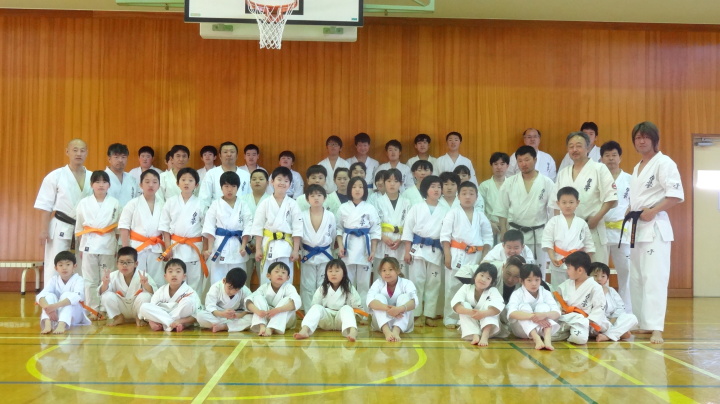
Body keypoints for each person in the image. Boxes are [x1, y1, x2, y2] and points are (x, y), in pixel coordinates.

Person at [627, 121, 684, 344]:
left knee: (654, 278)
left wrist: (653, 211)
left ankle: (657, 327)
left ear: (654, 140)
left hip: (655, 227)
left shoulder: (664, 163)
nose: (641, 141)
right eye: (637, 137)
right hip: (637, 228)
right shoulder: (637, 167)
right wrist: (630, 208)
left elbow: (675, 195)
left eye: (645, 137)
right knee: (637, 278)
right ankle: (644, 322)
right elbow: (639, 197)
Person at [551, 131, 618, 265]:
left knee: (595, 270)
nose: (574, 150)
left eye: (578, 146)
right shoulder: (563, 173)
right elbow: (555, 204)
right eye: (571, 146)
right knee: (571, 271)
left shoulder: (599, 169)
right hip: (568, 232)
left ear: (588, 148)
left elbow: (611, 198)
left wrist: (596, 218)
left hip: (592, 228)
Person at [35, 138, 93, 285]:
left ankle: (80, 295)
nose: (78, 153)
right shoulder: (55, 176)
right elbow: (45, 206)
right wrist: (43, 230)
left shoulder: (93, 177)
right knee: (55, 261)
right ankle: (51, 295)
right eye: (75, 150)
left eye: (82, 150)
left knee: (82, 264)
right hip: (60, 225)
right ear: (67, 152)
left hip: (83, 227)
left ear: (87, 153)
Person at [441, 181, 493, 328]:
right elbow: (445, 236)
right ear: (458, 196)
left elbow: (488, 237)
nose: (468, 197)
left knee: (474, 287)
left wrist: (485, 257)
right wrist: (447, 255)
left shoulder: (481, 215)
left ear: (476, 197)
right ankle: (450, 318)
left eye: (471, 193)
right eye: (464, 193)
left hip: (477, 255)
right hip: (457, 253)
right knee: (453, 286)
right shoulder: (453, 213)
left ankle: (470, 318)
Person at [496, 146, 555, 273]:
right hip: (515, 235)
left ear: (535, 159)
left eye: (527, 160)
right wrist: (503, 231)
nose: (523, 164)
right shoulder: (510, 182)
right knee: (514, 272)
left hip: (538, 234)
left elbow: (552, 212)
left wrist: (551, 235)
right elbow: (502, 209)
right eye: (520, 161)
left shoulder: (547, 182)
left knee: (538, 273)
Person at [401, 175, 449, 327]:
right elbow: (408, 230)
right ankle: (416, 315)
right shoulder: (416, 207)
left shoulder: (446, 210)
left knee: (434, 283)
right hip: (418, 250)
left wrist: (447, 253)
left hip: (436, 250)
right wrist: (407, 251)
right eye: (433, 187)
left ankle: (429, 314)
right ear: (426, 189)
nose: (436, 190)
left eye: (439, 187)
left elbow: (447, 234)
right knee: (416, 282)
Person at [75, 170, 121, 319]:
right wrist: (81, 247)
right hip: (89, 243)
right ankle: (92, 309)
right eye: (97, 182)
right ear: (91, 184)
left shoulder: (114, 203)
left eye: (104, 182)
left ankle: (105, 308)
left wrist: (116, 246)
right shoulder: (84, 203)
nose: (101, 185)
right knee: (89, 280)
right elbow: (79, 227)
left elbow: (118, 228)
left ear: (109, 185)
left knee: (107, 278)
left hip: (108, 243)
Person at [158, 167, 207, 297]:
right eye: (183, 180)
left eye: (190, 180)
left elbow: (206, 230)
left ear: (196, 185)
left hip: (195, 247)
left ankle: (194, 305)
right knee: (176, 279)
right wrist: (167, 248)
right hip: (176, 247)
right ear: (177, 183)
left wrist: (205, 249)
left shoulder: (201, 204)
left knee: (195, 279)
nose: (186, 183)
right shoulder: (170, 202)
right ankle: (176, 303)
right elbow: (165, 227)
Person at [250, 167, 303, 283]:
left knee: (285, 278)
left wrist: (295, 250)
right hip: (268, 244)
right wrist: (258, 249)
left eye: (286, 181)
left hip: (286, 246)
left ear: (290, 184)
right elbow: (258, 227)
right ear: (272, 182)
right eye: (279, 179)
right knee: (267, 278)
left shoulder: (293, 204)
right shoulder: (265, 203)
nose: (282, 183)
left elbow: (298, 229)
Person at [336, 176, 381, 311]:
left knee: (364, 282)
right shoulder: (343, 208)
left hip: (364, 247)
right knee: (347, 280)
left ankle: (363, 311)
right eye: (354, 186)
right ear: (350, 189)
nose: (357, 189)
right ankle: (347, 309)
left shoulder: (370, 208)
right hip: (348, 247)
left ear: (365, 190)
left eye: (361, 187)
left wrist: (373, 250)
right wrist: (341, 246)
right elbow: (338, 229)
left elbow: (375, 230)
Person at [202, 171, 253, 284]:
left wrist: (244, 246)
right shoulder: (215, 204)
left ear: (238, 188)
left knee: (238, 280)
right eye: (226, 186)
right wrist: (209, 249)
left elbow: (248, 226)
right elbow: (209, 227)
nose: (230, 190)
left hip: (238, 246)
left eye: (233, 186)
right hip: (219, 245)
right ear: (221, 187)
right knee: (217, 281)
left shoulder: (243, 205)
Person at [600, 141, 633, 311]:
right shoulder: (597, 178)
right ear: (601, 158)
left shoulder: (629, 179)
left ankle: (627, 309)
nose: (611, 158)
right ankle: (602, 306)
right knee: (599, 271)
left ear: (620, 158)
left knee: (626, 271)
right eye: (607, 155)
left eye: (614, 155)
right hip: (601, 229)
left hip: (622, 231)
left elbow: (636, 202)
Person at [294, 259, 363, 341]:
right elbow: (314, 307)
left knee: (347, 308)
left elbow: (358, 308)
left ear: (344, 273)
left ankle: (353, 332)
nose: (333, 274)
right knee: (316, 307)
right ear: (326, 274)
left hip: (342, 322)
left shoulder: (349, 288)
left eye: (337, 271)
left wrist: (354, 318)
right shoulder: (323, 288)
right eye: (330, 271)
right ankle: (304, 331)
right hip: (326, 320)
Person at [119, 169, 166, 286]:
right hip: (137, 247)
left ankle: (156, 297)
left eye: (154, 182)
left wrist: (167, 249)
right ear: (141, 185)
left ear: (159, 185)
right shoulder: (132, 204)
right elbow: (124, 227)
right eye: (147, 181)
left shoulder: (163, 205)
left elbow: (166, 229)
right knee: (136, 279)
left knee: (157, 280)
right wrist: (126, 250)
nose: (151, 185)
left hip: (156, 248)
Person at [542, 186, 595, 288]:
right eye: (564, 202)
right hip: (558, 261)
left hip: (578, 264)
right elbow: (548, 242)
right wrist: (552, 258)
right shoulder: (553, 221)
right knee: (558, 290)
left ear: (577, 203)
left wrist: (586, 264)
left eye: (571, 202)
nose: (568, 205)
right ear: (558, 203)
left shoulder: (582, 223)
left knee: (577, 289)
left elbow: (589, 245)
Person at [556, 251, 610, 345]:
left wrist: (588, 321)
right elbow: (558, 301)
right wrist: (559, 309)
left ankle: (572, 332)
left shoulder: (595, 287)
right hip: (566, 319)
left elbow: (599, 307)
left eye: (568, 268)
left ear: (580, 270)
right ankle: (569, 331)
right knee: (547, 334)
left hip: (584, 321)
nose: (567, 271)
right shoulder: (565, 285)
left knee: (579, 338)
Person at [299, 185, 336, 312]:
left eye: (319, 195)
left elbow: (333, 235)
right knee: (307, 285)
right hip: (307, 253)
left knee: (323, 284)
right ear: (307, 199)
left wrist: (329, 248)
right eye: (312, 195)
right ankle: (308, 312)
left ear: (324, 198)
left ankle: (322, 312)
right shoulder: (302, 215)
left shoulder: (330, 216)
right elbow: (298, 236)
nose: (316, 198)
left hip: (325, 254)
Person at [507, 264, 561, 350]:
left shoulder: (545, 292)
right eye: (529, 280)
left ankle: (547, 339)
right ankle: (536, 338)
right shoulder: (517, 294)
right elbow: (511, 313)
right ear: (522, 281)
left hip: (542, 328)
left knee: (543, 307)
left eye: (537, 280)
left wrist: (544, 315)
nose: (534, 284)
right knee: (523, 307)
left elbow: (557, 312)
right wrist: (533, 317)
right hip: (522, 331)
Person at [138, 258, 201, 332]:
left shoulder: (190, 292)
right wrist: (151, 322)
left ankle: (167, 324)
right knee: (144, 307)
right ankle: (172, 325)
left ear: (184, 276)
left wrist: (180, 321)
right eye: (170, 271)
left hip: (180, 319)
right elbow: (152, 308)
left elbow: (196, 315)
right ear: (165, 276)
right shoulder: (161, 291)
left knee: (188, 302)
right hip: (166, 317)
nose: (174, 275)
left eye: (178, 271)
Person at [99, 247, 156, 327]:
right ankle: (118, 317)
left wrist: (146, 285)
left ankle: (140, 318)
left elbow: (154, 293)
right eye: (121, 262)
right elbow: (101, 293)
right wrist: (105, 284)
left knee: (146, 296)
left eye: (128, 262)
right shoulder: (112, 276)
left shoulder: (143, 275)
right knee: (106, 296)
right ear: (117, 263)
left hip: (137, 308)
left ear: (136, 263)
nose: (124, 265)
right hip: (121, 309)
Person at [37, 251, 91, 334]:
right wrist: (49, 309)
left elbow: (77, 297)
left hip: (74, 314)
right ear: (56, 268)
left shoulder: (78, 279)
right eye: (60, 265)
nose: (64, 268)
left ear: (74, 266)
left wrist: (54, 306)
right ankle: (48, 324)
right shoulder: (53, 280)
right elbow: (41, 296)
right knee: (49, 296)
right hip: (55, 315)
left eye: (68, 264)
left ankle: (62, 325)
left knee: (67, 295)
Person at [451, 263, 504, 346]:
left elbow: (498, 308)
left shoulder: (493, 290)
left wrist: (483, 313)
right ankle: (475, 334)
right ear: (475, 276)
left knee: (490, 306)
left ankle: (485, 336)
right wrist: (473, 313)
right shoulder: (466, 287)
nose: (483, 280)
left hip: (490, 329)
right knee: (464, 305)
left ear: (491, 282)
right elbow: (456, 306)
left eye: (488, 278)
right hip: (470, 328)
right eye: (482, 275)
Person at [367, 257, 418, 342]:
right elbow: (370, 301)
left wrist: (399, 309)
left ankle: (396, 330)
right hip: (380, 324)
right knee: (378, 297)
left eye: (390, 269)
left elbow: (414, 302)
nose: (387, 273)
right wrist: (389, 309)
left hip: (403, 323)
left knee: (405, 297)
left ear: (398, 271)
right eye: (384, 270)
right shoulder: (378, 283)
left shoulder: (407, 283)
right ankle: (386, 331)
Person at [245, 262, 302, 337]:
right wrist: (258, 311)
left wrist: (278, 310)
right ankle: (262, 326)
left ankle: (271, 328)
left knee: (287, 299)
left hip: (284, 320)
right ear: (268, 275)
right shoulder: (264, 287)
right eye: (277, 271)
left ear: (288, 277)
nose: (280, 274)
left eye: (283, 272)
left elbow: (297, 302)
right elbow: (249, 301)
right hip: (267, 318)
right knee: (257, 297)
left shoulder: (289, 287)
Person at [590, 263, 638, 342]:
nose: (599, 279)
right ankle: (616, 333)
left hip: (611, 322)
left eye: (603, 276)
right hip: (597, 323)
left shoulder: (611, 291)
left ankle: (607, 336)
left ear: (607, 278)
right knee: (598, 322)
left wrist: (612, 320)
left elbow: (620, 308)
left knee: (632, 318)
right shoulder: (586, 290)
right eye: (595, 275)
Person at [196, 267, 253, 333]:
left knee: (252, 318)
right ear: (224, 280)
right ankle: (231, 326)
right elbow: (210, 307)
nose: (232, 292)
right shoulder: (216, 288)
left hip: (236, 316)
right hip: (218, 315)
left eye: (236, 290)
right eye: (229, 288)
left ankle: (224, 326)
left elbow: (250, 308)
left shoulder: (245, 290)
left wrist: (241, 314)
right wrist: (222, 314)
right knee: (200, 315)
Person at [375, 169, 411, 271]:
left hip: (400, 242)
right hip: (383, 242)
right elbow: (374, 224)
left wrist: (401, 239)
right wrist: (383, 237)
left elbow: (409, 225)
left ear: (401, 183)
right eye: (389, 181)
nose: (392, 184)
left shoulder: (407, 202)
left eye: (396, 181)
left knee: (400, 273)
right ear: (384, 182)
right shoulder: (378, 202)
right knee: (382, 274)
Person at [239, 169, 270, 287]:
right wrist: (246, 242)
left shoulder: (271, 200)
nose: (257, 181)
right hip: (245, 244)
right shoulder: (242, 200)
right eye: (254, 179)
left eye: (261, 179)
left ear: (267, 183)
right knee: (243, 278)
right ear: (250, 183)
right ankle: (243, 298)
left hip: (264, 245)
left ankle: (263, 299)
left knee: (264, 278)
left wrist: (258, 244)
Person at [478, 152, 509, 242]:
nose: (499, 167)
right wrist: (489, 223)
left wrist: (506, 226)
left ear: (507, 166)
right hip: (490, 226)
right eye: (495, 164)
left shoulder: (513, 184)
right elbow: (479, 208)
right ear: (491, 166)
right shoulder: (484, 186)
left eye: (502, 164)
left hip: (509, 227)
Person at [104, 143, 139, 208]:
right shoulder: (102, 178)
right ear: (109, 159)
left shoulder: (132, 179)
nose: (120, 160)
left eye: (123, 157)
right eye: (116, 157)